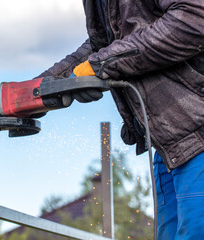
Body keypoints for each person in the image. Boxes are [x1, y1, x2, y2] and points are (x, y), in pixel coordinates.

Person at [37, 0, 204, 239]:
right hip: (170, 146)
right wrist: (41, 87)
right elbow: (105, 43)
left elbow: (194, 18)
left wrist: (101, 65)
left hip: (198, 134)